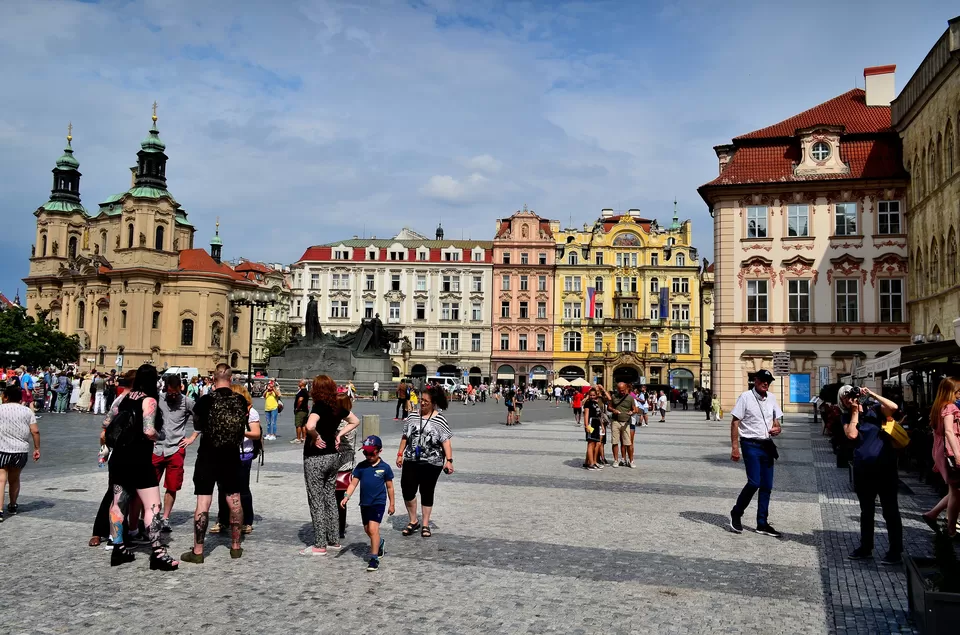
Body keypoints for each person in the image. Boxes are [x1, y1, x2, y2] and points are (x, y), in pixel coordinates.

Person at [101, 364, 179, 570]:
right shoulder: (149, 400)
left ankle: (118, 548)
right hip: (139, 459)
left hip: (119, 458)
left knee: (118, 503)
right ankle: (158, 553)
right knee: (153, 506)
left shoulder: (123, 398)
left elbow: (107, 421)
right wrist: (160, 436)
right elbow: (149, 430)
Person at [180, 363, 249, 564]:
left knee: (203, 501)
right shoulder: (240, 400)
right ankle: (235, 547)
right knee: (234, 499)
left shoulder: (204, 401)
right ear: (231, 378)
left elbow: (198, 425)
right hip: (231, 456)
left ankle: (198, 550)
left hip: (208, 455)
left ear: (213, 378)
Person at [839, 385, 904, 563]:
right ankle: (866, 547)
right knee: (866, 511)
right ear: (842, 401)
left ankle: (895, 550)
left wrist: (873, 394)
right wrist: (854, 412)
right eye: (845, 397)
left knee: (890, 510)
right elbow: (851, 435)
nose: (850, 398)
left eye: (852, 394)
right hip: (863, 469)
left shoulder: (875, 410)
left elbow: (894, 407)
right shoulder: (846, 416)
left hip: (886, 467)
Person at [301, 375, 361, 555]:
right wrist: (339, 434)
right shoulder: (337, 406)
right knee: (329, 498)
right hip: (333, 457)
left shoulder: (318, 406)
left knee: (316, 500)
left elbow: (310, 425)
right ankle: (333, 539)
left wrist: (316, 436)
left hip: (316, 457)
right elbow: (355, 421)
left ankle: (319, 544)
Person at [729, 369, 782, 538]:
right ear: (756, 380)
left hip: (767, 445)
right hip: (750, 444)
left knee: (767, 486)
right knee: (754, 482)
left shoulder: (772, 398)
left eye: (769, 381)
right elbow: (735, 422)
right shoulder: (745, 397)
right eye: (763, 380)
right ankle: (737, 512)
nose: (766, 383)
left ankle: (762, 523)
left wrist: (777, 428)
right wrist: (735, 448)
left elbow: (776, 421)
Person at [396, 384, 453, 538]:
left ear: (433, 403)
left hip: (432, 462)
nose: (422, 403)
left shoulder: (440, 419)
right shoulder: (412, 416)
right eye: (421, 400)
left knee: (427, 491)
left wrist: (449, 460)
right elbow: (405, 436)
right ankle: (413, 521)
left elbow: (446, 441)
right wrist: (400, 454)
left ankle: (425, 524)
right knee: (407, 490)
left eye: (426, 401)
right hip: (411, 459)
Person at [340, 435, 396, 572]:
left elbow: (390, 487)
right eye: (366, 452)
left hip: (378, 502)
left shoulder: (385, 468)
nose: (368, 455)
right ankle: (380, 543)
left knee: (373, 528)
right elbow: (353, 484)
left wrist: (392, 504)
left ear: (379, 451)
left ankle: (373, 558)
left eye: (372, 452)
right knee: (367, 530)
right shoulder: (361, 467)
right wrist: (346, 496)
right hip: (364, 503)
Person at [211, 384, 261, 535]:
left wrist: (240, 431)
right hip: (225, 453)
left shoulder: (250, 412)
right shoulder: (225, 410)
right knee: (222, 488)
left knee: (242, 488)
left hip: (243, 454)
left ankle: (246, 521)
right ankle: (223, 520)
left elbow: (256, 433)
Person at [152, 374, 197, 533]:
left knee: (172, 487)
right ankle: (151, 516)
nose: (172, 395)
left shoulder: (187, 402)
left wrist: (192, 437)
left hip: (176, 449)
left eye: (175, 393)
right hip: (157, 448)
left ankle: (165, 518)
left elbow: (201, 418)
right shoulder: (158, 398)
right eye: (169, 392)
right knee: (150, 485)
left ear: (180, 388)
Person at [922, 378, 960, 538]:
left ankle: (933, 514)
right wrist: (958, 455)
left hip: (941, 451)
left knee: (956, 489)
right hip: (951, 451)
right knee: (956, 491)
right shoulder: (950, 407)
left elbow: (936, 434)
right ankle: (951, 529)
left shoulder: (938, 407)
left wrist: (936, 458)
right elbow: (949, 432)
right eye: (958, 391)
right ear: (952, 391)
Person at [0, 385, 41, 522]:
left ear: (5, 397)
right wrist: (37, 448)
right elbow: (35, 431)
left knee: (1, 480)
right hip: (20, 450)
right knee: (14, 479)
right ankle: (12, 505)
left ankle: (0, 510)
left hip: (2, 448)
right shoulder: (27, 411)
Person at [608, 382, 637, 468]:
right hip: (615, 421)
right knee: (615, 442)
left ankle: (631, 461)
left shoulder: (630, 398)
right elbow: (609, 407)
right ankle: (616, 460)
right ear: (617, 389)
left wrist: (632, 412)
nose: (622, 392)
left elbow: (635, 409)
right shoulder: (614, 397)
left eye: (623, 390)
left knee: (628, 443)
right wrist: (613, 410)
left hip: (626, 422)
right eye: (620, 390)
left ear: (626, 388)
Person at [582, 388, 604, 470]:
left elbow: (599, 415)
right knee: (591, 443)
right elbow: (586, 415)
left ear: (596, 395)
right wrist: (586, 425)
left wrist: (602, 425)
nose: (592, 396)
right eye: (590, 395)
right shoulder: (587, 403)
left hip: (596, 422)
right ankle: (590, 463)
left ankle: (593, 462)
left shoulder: (596, 403)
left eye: (593, 395)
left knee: (595, 442)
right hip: (591, 423)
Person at [292, 379, 310, 444]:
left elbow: (300, 400)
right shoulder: (306, 391)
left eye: (300, 382)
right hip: (305, 410)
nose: (298, 383)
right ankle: (304, 437)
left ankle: (298, 438)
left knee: (298, 424)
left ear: (302, 384)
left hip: (301, 410)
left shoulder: (302, 392)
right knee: (303, 424)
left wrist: (297, 408)